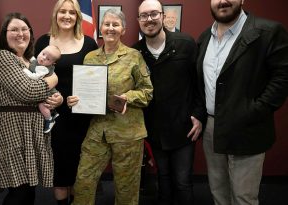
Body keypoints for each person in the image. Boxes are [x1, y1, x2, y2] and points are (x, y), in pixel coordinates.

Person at [197, 0, 288, 204]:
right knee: (218, 191)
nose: (222, 1)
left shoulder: (268, 31)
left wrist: (255, 111)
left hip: (247, 127)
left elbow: (283, 77)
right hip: (212, 128)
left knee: (243, 197)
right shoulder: (204, 38)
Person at [71, 9, 153, 205]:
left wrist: (128, 97)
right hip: (98, 130)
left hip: (127, 133)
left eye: (115, 25)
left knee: (126, 188)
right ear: (100, 28)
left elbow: (147, 92)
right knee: (83, 181)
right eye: (107, 24)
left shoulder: (134, 56)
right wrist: (76, 100)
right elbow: (85, 91)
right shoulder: (90, 57)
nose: (110, 28)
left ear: (123, 29)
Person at [133, 0, 205, 204]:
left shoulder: (186, 43)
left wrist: (199, 115)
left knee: (182, 182)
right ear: (138, 20)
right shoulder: (135, 53)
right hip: (154, 131)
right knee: (163, 180)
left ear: (163, 16)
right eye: (144, 16)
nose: (149, 19)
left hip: (184, 128)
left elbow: (200, 84)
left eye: (154, 14)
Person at [0, 12, 62, 205]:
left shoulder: (31, 61)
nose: (20, 34)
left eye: (24, 29)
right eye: (14, 29)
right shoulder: (3, 57)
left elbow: (42, 92)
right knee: (18, 192)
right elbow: (27, 92)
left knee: (29, 190)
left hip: (33, 129)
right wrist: (53, 79)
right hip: (12, 128)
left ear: (30, 33)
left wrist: (57, 98)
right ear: (4, 34)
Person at [34, 0, 98, 204]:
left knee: (80, 170)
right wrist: (51, 97)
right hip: (54, 118)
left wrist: (83, 98)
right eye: (62, 11)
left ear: (78, 16)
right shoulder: (43, 42)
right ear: (55, 14)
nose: (67, 16)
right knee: (60, 171)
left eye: (72, 12)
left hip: (81, 118)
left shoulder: (89, 43)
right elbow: (33, 77)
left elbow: (94, 80)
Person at [23, 45, 61, 133]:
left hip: (48, 92)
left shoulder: (44, 69)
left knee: (41, 105)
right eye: (43, 54)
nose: (43, 58)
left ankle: (49, 120)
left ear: (53, 63)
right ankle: (54, 113)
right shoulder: (37, 61)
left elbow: (34, 77)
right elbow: (32, 59)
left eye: (48, 59)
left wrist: (25, 70)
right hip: (46, 89)